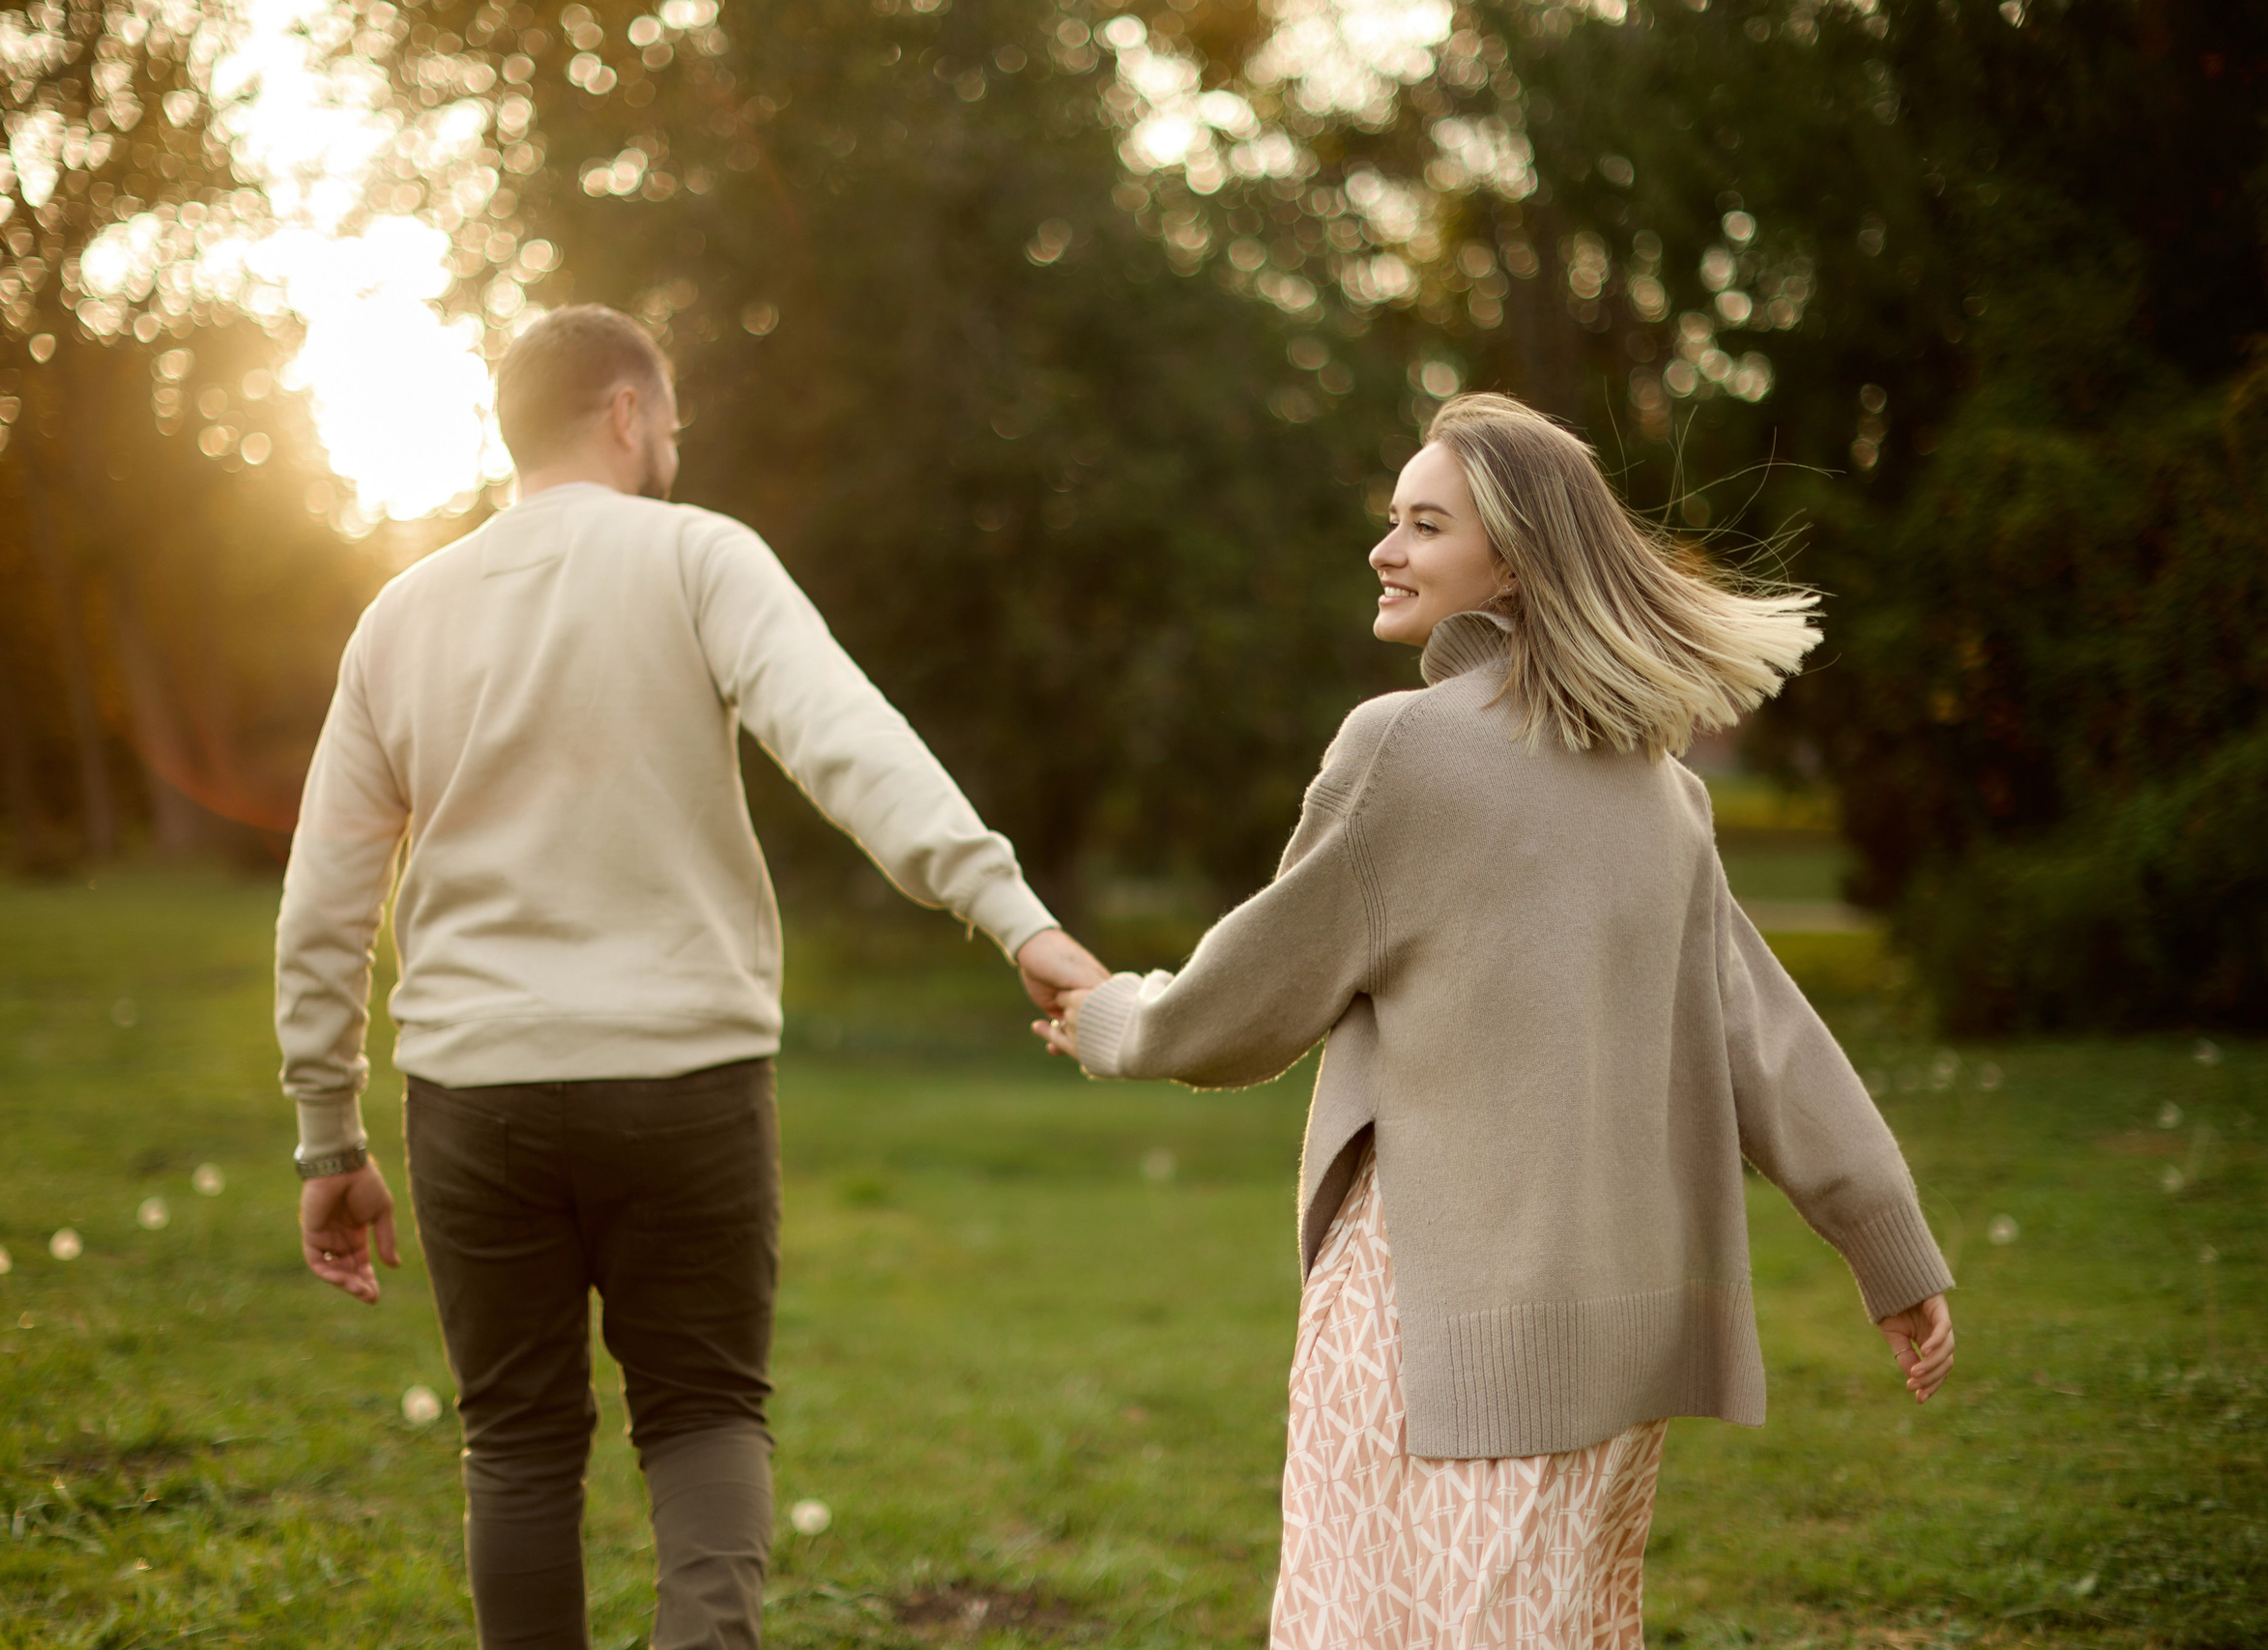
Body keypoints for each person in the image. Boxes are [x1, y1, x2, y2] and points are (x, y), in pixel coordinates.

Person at [1034, 392, 1957, 1649]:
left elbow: (1252, 997)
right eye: (1392, 521)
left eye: (1424, 525)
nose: (1386, 548)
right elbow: (1767, 1042)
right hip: (1617, 1345)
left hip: (1433, 1324)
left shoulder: (1404, 749)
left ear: (1513, 562)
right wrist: (1886, 1246)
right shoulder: (1664, 791)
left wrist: (1113, 1021)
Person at [274, 304, 1106, 1650]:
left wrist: (328, 1133)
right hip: (684, 1083)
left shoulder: (400, 615)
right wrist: (1011, 916)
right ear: (624, 413)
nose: (672, 442)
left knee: (520, 1446)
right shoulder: (700, 556)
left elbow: (325, 900)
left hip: (472, 1097)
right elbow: (851, 745)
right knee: (706, 1414)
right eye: (669, 419)